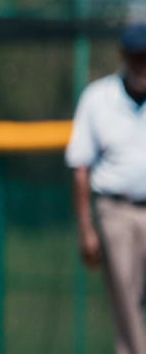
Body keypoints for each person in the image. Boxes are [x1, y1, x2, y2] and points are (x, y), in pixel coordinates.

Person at [69, 22, 146, 354]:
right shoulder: (98, 98)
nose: (143, 65)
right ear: (124, 57)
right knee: (126, 298)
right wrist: (86, 229)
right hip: (116, 210)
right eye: (137, 58)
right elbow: (81, 167)